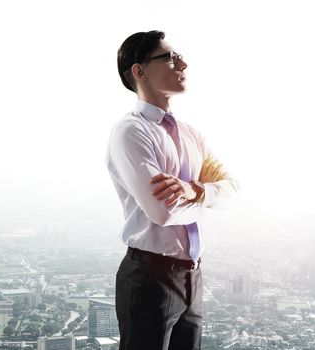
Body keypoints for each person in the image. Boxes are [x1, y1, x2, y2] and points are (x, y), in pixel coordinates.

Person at [106, 30, 239, 350]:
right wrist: (208, 197)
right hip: (150, 277)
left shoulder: (191, 135)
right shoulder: (131, 132)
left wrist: (195, 191)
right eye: (169, 57)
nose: (183, 63)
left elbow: (232, 190)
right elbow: (163, 212)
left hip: (193, 276)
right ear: (139, 71)